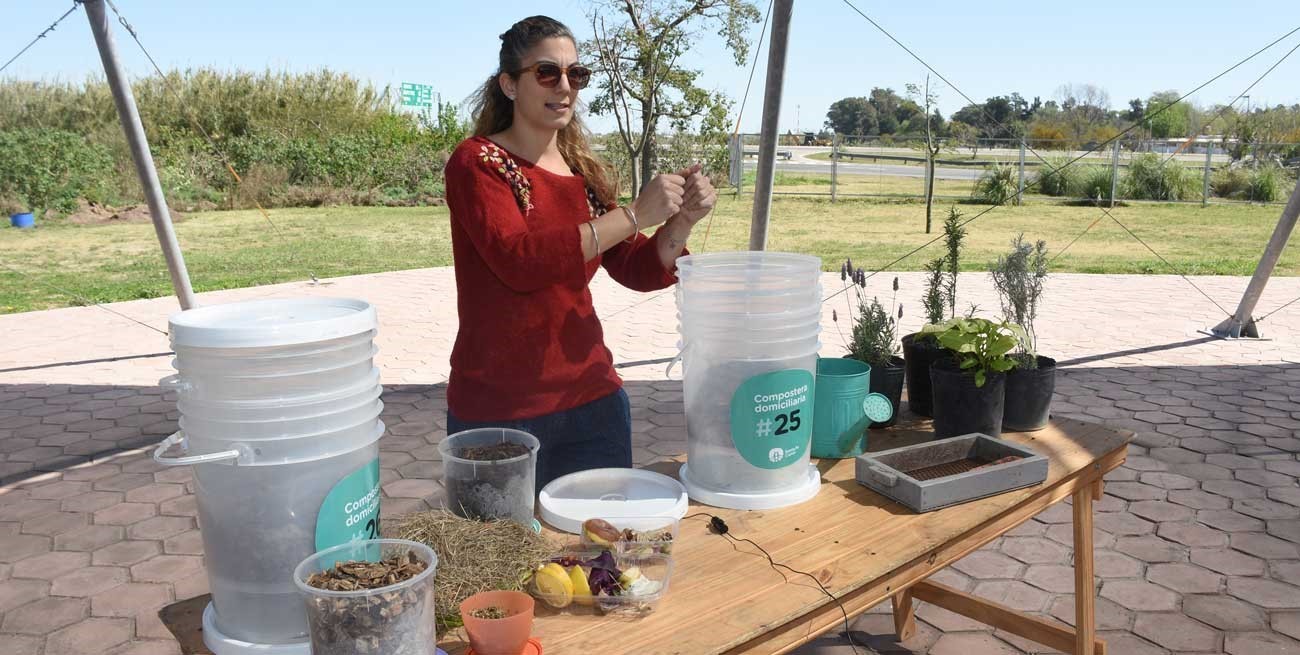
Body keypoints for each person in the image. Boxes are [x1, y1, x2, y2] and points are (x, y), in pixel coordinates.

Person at [443, 15, 717, 490]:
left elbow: (636, 267)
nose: (565, 85)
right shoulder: (478, 162)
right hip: (498, 410)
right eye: (547, 72)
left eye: (577, 74)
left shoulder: (581, 173)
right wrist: (634, 213)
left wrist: (681, 220)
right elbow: (520, 261)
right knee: (500, 560)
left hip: (592, 404)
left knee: (599, 555)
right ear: (509, 84)